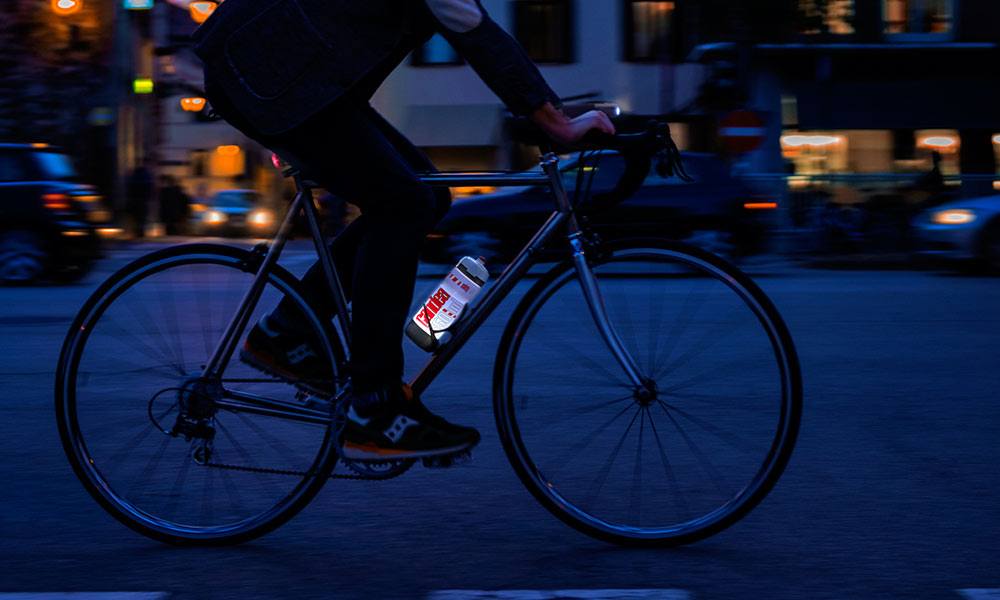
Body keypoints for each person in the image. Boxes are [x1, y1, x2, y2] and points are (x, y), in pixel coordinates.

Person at [193, 0, 614, 463]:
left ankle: (287, 331)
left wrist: (550, 113)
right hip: (272, 77)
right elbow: (475, 31)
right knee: (402, 205)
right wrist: (555, 122)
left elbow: (477, 30)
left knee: (428, 198)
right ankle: (374, 406)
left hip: (296, 78)